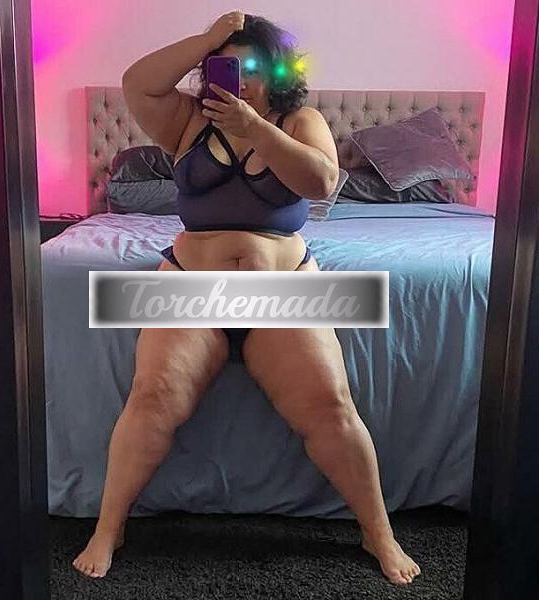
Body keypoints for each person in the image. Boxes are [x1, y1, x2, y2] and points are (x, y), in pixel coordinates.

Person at [72, 11, 421, 586]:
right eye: (226, 66)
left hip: (281, 285)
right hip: (192, 281)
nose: (241, 77)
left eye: (252, 66)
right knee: (152, 395)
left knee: (331, 405)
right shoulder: (186, 120)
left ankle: (377, 531)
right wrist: (207, 39)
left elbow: (321, 182)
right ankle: (109, 528)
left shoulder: (299, 119)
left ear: (277, 71)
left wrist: (256, 127)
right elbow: (137, 82)